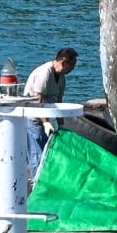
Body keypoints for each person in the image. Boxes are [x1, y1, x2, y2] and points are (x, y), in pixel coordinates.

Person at [23, 47, 78, 178]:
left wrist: (61, 124)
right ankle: (37, 184)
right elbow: (38, 101)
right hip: (34, 117)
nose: (72, 70)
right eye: (72, 66)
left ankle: (45, 180)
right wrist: (46, 122)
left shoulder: (61, 77)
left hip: (46, 116)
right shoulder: (45, 73)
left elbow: (59, 100)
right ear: (63, 62)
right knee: (37, 154)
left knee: (47, 152)